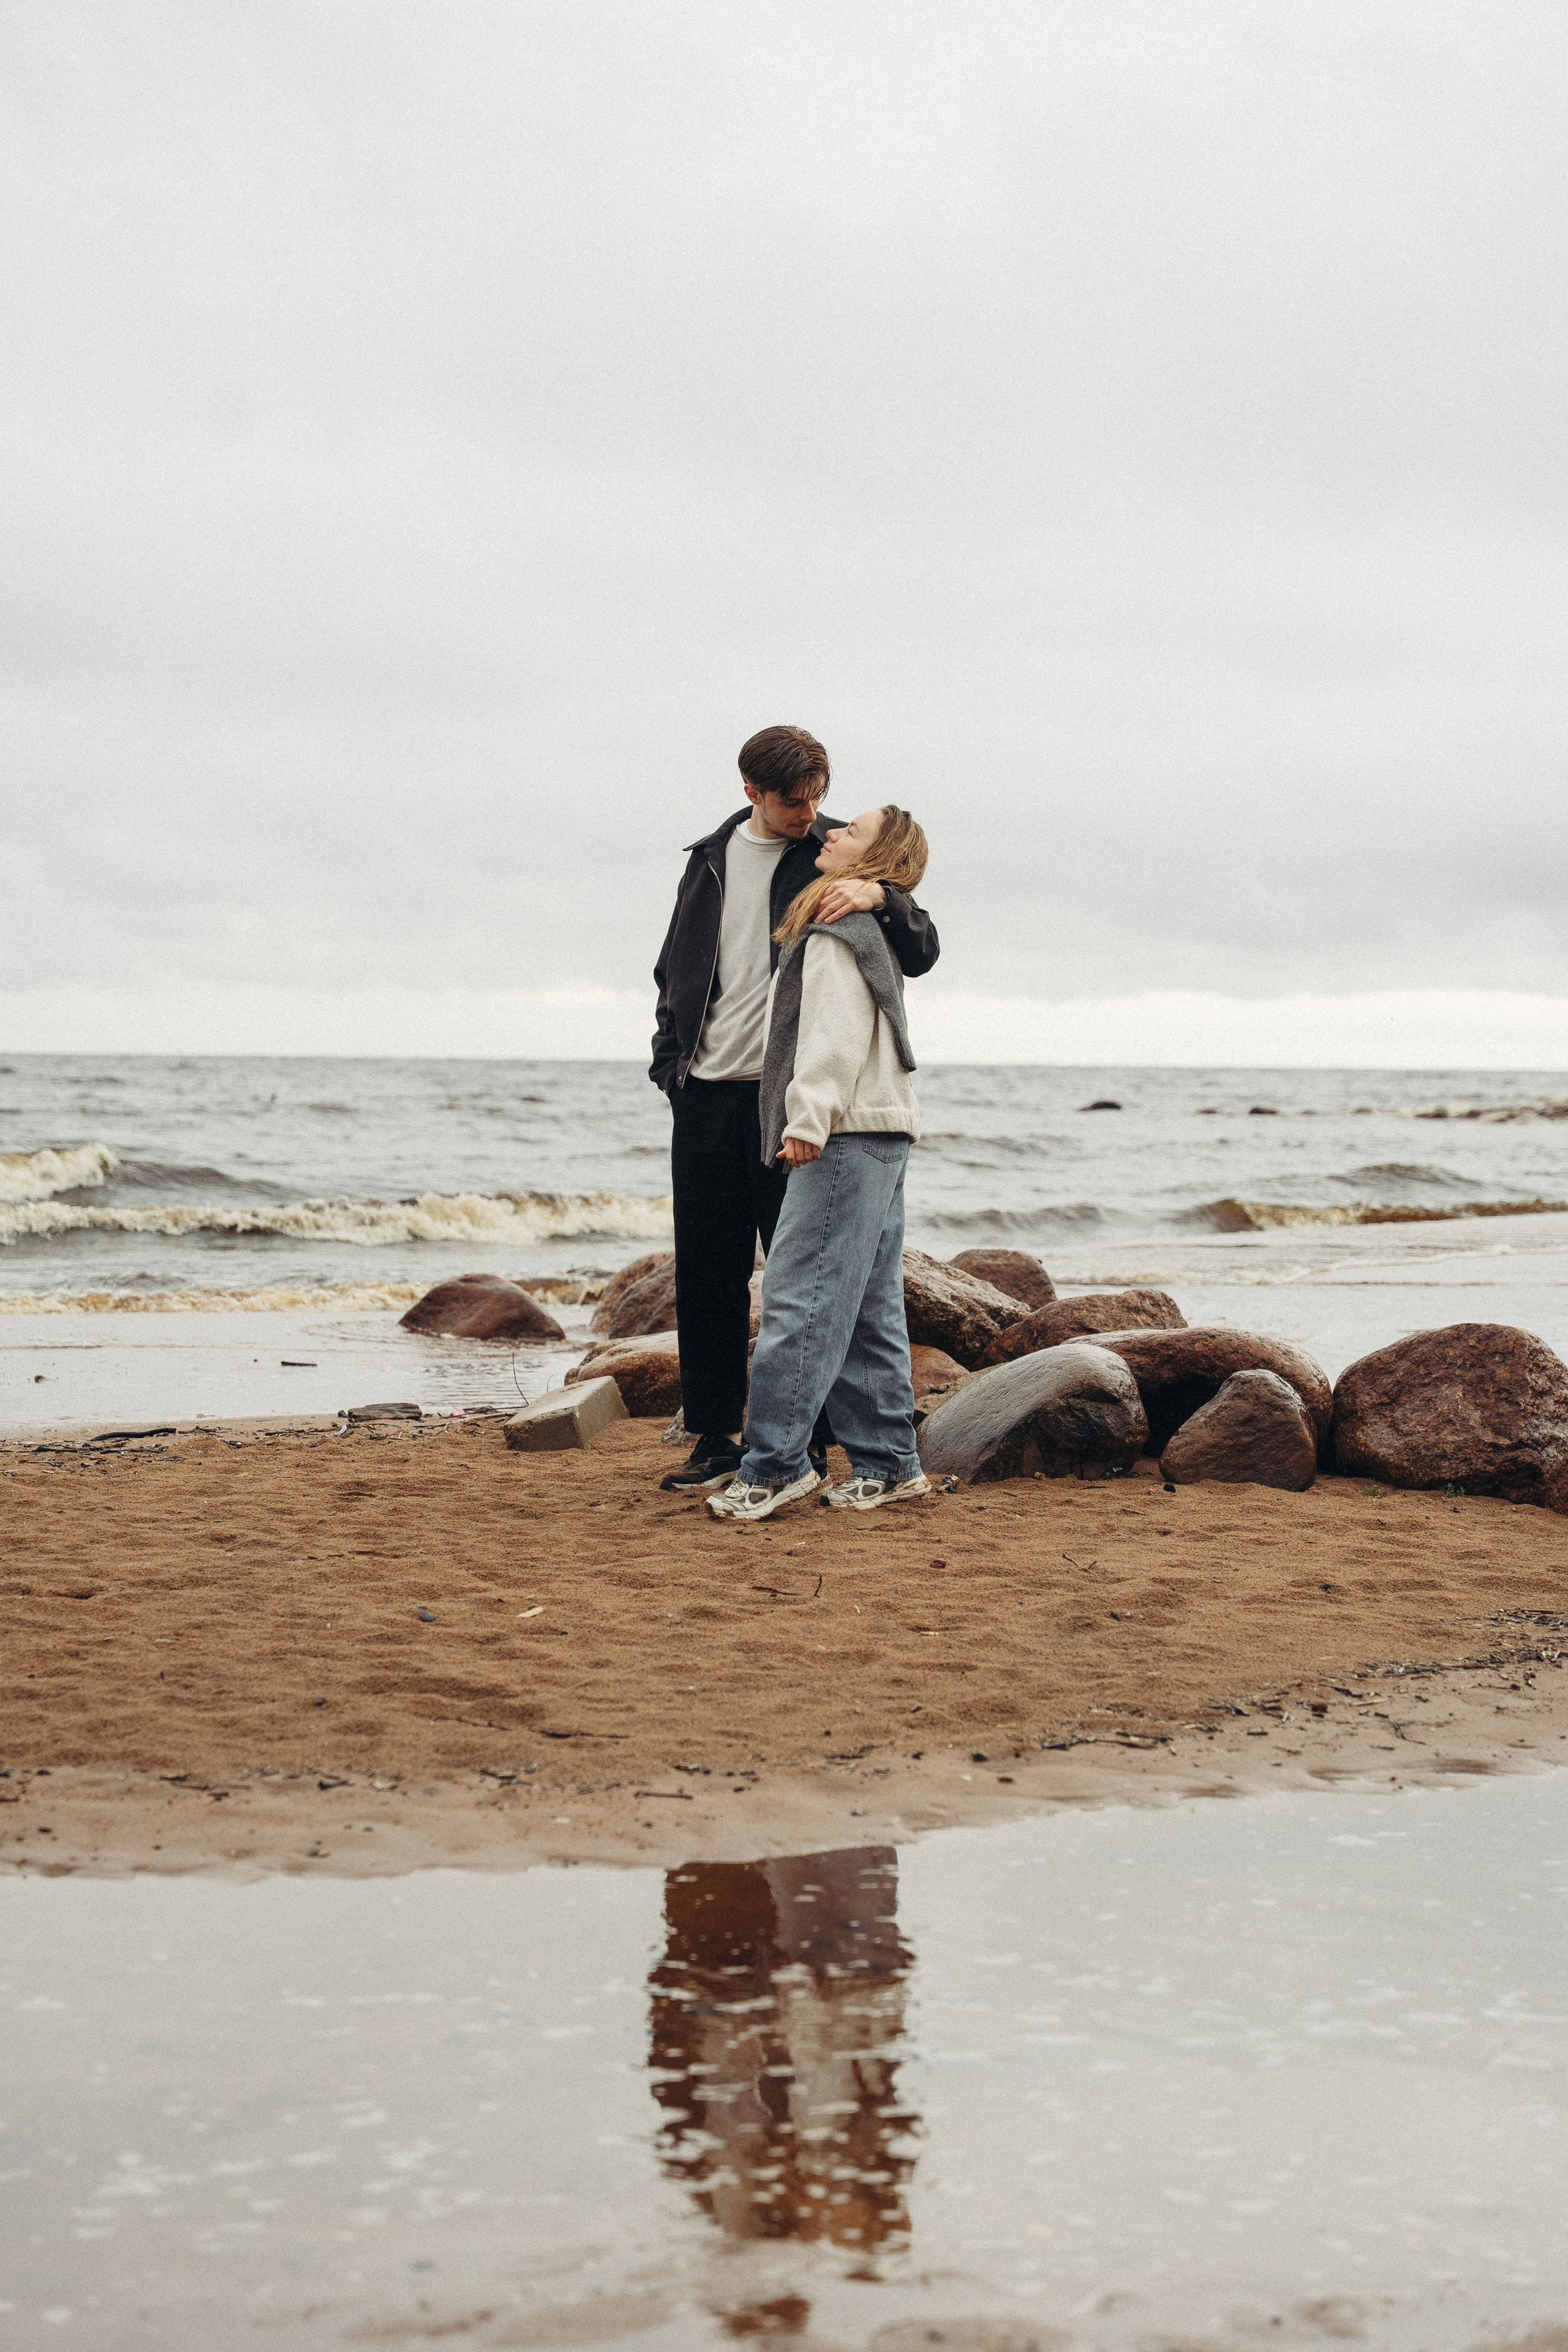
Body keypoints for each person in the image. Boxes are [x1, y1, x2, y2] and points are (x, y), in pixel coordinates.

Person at [650, 727, 938, 1496]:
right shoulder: (707, 861)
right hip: (706, 1090)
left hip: (789, 1098)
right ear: (751, 790)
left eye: (817, 795)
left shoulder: (835, 863)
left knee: (800, 1275)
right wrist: (669, 1059)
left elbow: (921, 946)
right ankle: (716, 1435)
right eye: (791, 800)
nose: (809, 812)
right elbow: (669, 965)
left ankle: (802, 1448)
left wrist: (883, 894)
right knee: (706, 1269)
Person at [707, 805, 930, 1522]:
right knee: (867, 1309)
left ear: (875, 863)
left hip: (843, 1133)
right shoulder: (861, 927)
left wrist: (807, 1122)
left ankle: (772, 1469)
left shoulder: (837, 934)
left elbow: (831, 1038)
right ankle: (889, 1464)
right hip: (882, 1132)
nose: (829, 834)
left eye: (850, 833)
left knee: (798, 1304)